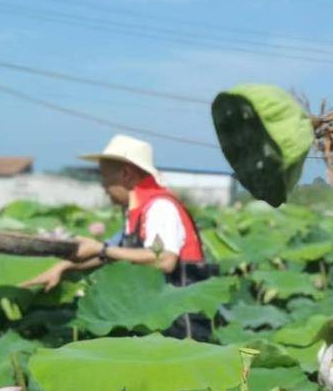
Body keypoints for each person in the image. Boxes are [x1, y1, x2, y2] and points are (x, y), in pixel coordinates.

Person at [23, 135, 216, 334]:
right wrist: (63, 267)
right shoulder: (136, 212)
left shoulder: (160, 207)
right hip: (155, 322)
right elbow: (109, 253)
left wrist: (101, 248)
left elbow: (165, 260)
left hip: (182, 326)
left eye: (105, 176)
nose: (103, 185)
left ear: (126, 175)